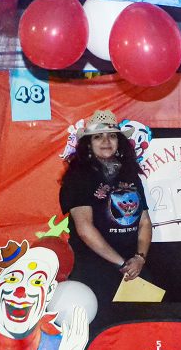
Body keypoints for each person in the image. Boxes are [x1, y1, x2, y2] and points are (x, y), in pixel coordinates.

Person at [59, 110, 152, 307]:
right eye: (98, 137)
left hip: (132, 266)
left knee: (142, 323)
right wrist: (121, 264)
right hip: (95, 268)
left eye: (111, 136)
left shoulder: (130, 174)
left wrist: (139, 258)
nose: (106, 141)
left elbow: (144, 221)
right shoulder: (78, 177)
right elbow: (85, 230)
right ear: (88, 144)